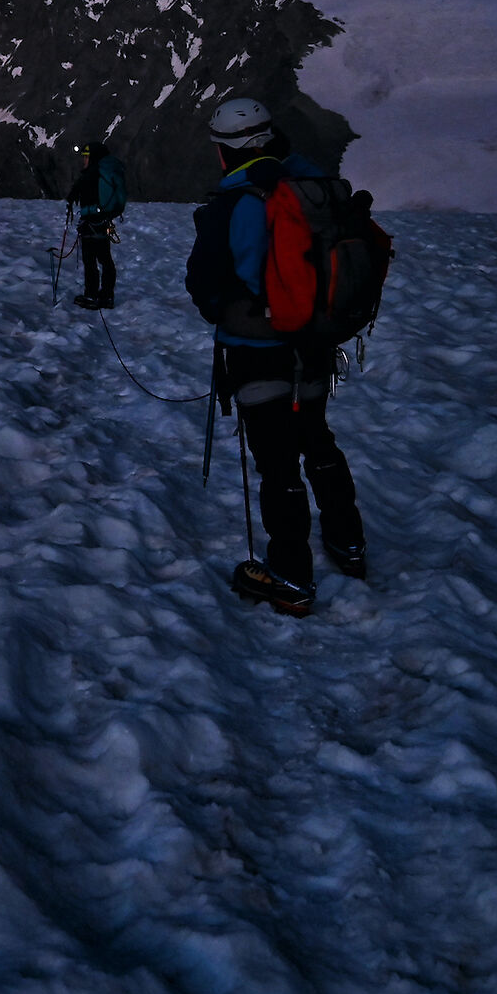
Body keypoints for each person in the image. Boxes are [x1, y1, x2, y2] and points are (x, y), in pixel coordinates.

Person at [185, 97, 366, 617]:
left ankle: (289, 576)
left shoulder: (240, 200)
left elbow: (211, 282)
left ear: (227, 150)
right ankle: (347, 543)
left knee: (277, 461)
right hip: (314, 343)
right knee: (317, 440)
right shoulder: (311, 184)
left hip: (260, 351)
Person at [67, 140, 126, 309]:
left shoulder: (92, 174)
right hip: (103, 221)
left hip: (91, 221)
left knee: (90, 259)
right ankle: (107, 296)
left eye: (86, 156)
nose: (84, 160)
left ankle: (91, 295)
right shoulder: (103, 171)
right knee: (105, 258)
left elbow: (83, 192)